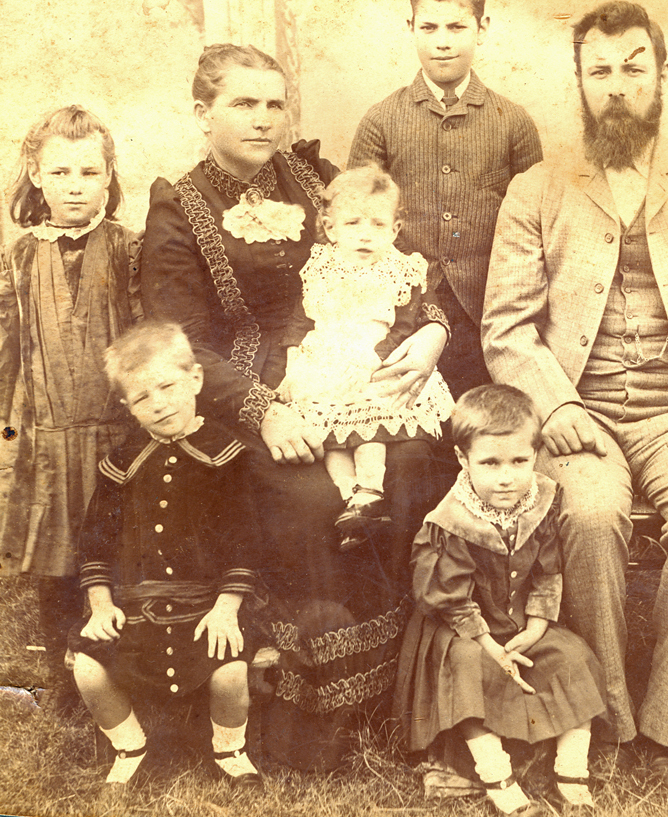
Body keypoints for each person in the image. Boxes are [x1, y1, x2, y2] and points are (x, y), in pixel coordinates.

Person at [482, 1, 668, 792]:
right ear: (579, 82)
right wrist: (556, 408)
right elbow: (505, 328)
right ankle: (606, 716)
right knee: (585, 513)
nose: (616, 87)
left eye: (632, 68)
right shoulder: (535, 189)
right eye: (600, 71)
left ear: (662, 75)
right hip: (580, 417)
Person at [140, 44, 449, 770]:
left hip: (351, 379)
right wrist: (262, 409)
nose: (263, 119)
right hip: (245, 399)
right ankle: (321, 713)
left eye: (274, 103)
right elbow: (181, 341)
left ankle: (410, 699)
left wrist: (432, 330)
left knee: (408, 464)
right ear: (202, 113)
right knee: (312, 498)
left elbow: (403, 259)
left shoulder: (317, 179)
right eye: (242, 104)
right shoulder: (179, 207)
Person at [70, 321, 263, 802]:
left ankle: (229, 748)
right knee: (88, 668)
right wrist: (100, 605)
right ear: (127, 407)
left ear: (196, 379)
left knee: (230, 670)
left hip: (208, 604)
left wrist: (226, 608)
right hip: (137, 605)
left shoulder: (227, 454)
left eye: (168, 387)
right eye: (141, 398)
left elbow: (244, 539)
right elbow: (95, 540)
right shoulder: (122, 459)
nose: (158, 404)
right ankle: (130, 747)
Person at [395, 385, 605, 816]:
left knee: (573, 656)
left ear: (535, 456)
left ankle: (572, 770)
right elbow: (449, 600)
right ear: (463, 459)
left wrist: (536, 628)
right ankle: (497, 774)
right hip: (465, 631)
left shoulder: (541, 501)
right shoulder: (450, 520)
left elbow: (548, 571)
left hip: (518, 627)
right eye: (489, 463)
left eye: (518, 462)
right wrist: (491, 645)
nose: (506, 477)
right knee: (470, 667)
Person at [348, 0, 542, 399]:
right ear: (411, 27)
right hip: (403, 317)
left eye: (457, 26)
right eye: (429, 26)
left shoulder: (513, 122)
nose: (442, 41)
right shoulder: (381, 120)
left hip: (491, 316)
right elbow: (355, 226)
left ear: (482, 28)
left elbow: (538, 233)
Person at [0, 105, 140, 686]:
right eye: (60, 173)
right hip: (48, 434)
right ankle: (65, 667)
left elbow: (145, 333)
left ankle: (123, 662)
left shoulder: (129, 246)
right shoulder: (19, 255)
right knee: (54, 551)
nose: (76, 186)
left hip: (116, 432)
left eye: (89, 172)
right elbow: (7, 343)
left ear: (109, 176)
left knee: (118, 549)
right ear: (36, 175)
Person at [279, 164, 452, 550]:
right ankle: (349, 499)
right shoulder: (319, 268)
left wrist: (375, 359)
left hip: (377, 360)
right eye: (353, 223)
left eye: (377, 224)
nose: (364, 234)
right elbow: (299, 320)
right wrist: (293, 367)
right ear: (330, 227)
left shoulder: (399, 269)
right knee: (327, 432)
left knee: (368, 419)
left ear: (394, 230)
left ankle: (370, 491)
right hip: (323, 360)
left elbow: (406, 323)